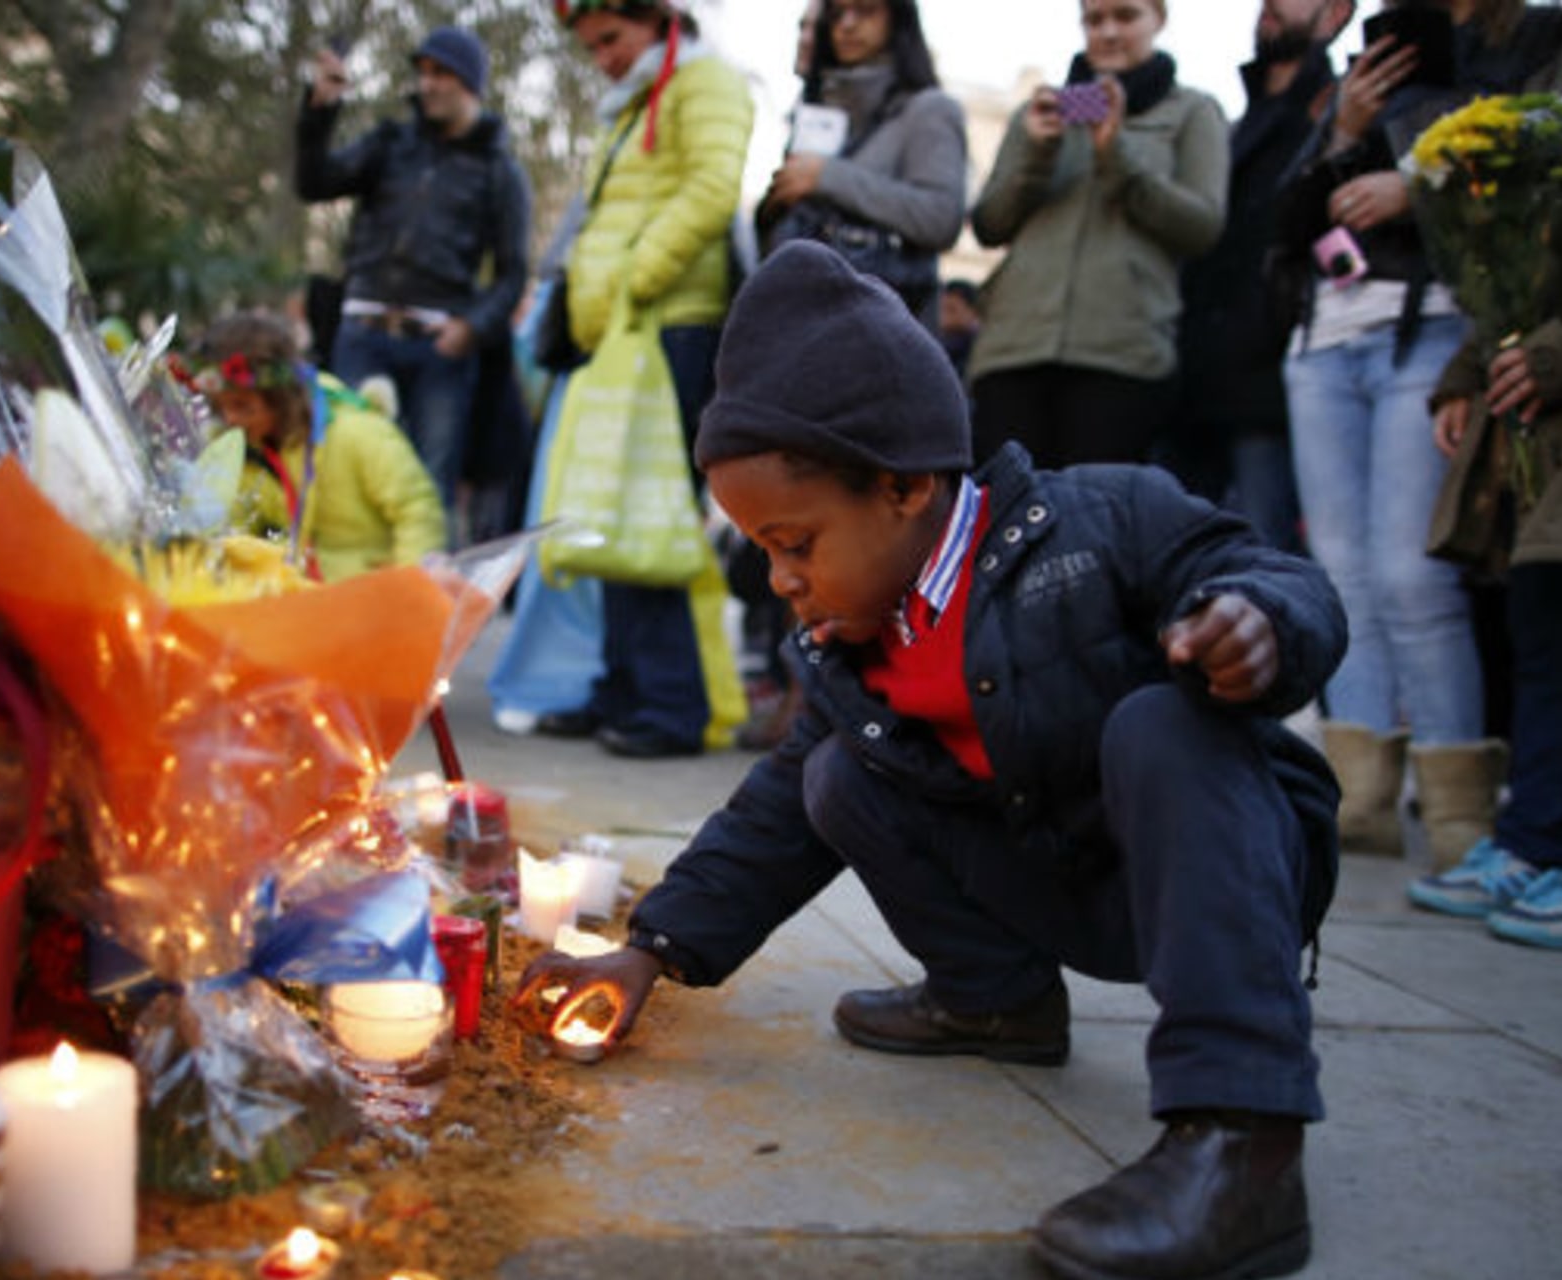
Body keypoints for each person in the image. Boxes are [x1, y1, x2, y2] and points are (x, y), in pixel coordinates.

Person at [518, 241, 1346, 1280]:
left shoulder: (1100, 521)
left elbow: (1265, 568)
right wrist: (653, 949)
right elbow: (771, 817)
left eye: (796, 542)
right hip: (1063, 881)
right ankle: (995, 995)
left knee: (1159, 723)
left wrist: (1258, 621)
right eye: (764, 552)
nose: (781, 578)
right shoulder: (852, 649)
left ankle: (1243, 1138)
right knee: (831, 777)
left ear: (904, 486)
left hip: (1223, 865)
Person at [1271, 0, 1562, 863]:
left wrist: (1420, 181)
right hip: (1322, 340)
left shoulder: (1525, 48)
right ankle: (1359, 799)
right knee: (1344, 576)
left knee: (1412, 574)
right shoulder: (1358, 71)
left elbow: (1535, 189)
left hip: (1432, 335)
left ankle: (1456, 817)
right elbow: (1287, 224)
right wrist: (1344, 131)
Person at [1407, 0, 1562, 949]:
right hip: (1542, 403)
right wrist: (1470, 369)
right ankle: (1533, 843)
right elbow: (1515, 244)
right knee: (1545, 632)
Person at [531, 0, 754, 760]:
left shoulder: (707, 84)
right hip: (626, 328)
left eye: (612, 40)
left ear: (658, 22)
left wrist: (634, 278)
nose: (602, 58)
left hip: (670, 322)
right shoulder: (632, 104)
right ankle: (625, 688)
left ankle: (670, 705)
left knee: (650, 515)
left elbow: (711, 188)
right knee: (610, 513)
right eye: (591, 47)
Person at [967, 0, 1228, 469]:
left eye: (1125, 17)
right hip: (1014, 349)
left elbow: (1202, 226)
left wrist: (1116, 153)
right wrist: (1036, 154)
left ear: (1159, 20)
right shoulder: (1039, 113)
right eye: (1094, 19)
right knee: (1007, 514)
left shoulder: (1193, 111)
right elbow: (989, 224)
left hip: (1122, 355)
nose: (1108, 32)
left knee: (1093, 517)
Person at [294, 26, 532, 519]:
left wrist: (470, 329)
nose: (427, 84)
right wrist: (320, 108)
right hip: (362, 335)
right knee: (344, 480)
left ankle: (423, 596)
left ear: (470, 82)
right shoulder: (389, 144)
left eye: (441, 73)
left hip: (438, 352)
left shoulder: (499, 171)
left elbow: (512, 274)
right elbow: (314, 182)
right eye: (422, 73)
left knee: (426, 492)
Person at [1162, 0, 1357, 554]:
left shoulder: (1339, 111)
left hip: (1273, 382)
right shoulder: (1233, 124)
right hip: (1196, 380)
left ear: (1335, 13)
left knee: (1266, 562)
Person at [186, 312, 445, 582]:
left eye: (243, 406)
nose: (231, 419)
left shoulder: (357, 432)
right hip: (302, 604)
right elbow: (229, 533)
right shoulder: (242, 455)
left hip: (374, 596)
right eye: (220, 407)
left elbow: (417, 511)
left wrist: (409, 586)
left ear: (279, 397)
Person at [757, 0, 969, 327]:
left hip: (884, 331)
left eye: (865, 10)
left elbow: (941, 217)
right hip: (800, 320)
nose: (848, 25)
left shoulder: (929, 110)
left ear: (898, 19)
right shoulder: (817, 110)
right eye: (837, 14)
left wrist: (827, 177)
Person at [937, 277, 980, 385]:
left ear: (973, 311)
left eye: (951, 310)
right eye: (942, 309)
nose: (944, 317)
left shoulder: (977, 347)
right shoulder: (941, 343)